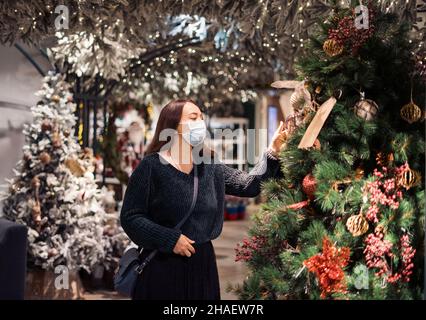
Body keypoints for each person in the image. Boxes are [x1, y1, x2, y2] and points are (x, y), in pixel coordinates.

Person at [120, 99, 287, 300]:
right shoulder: (151, 167)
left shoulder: (209, 165)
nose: (200, 122)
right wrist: (170, 239)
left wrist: (272, 152)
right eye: (193, 118)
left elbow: (248, 185)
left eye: (201, 117)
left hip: (202, 265)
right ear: (175, 126)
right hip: (162, 266)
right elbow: (131, 217)